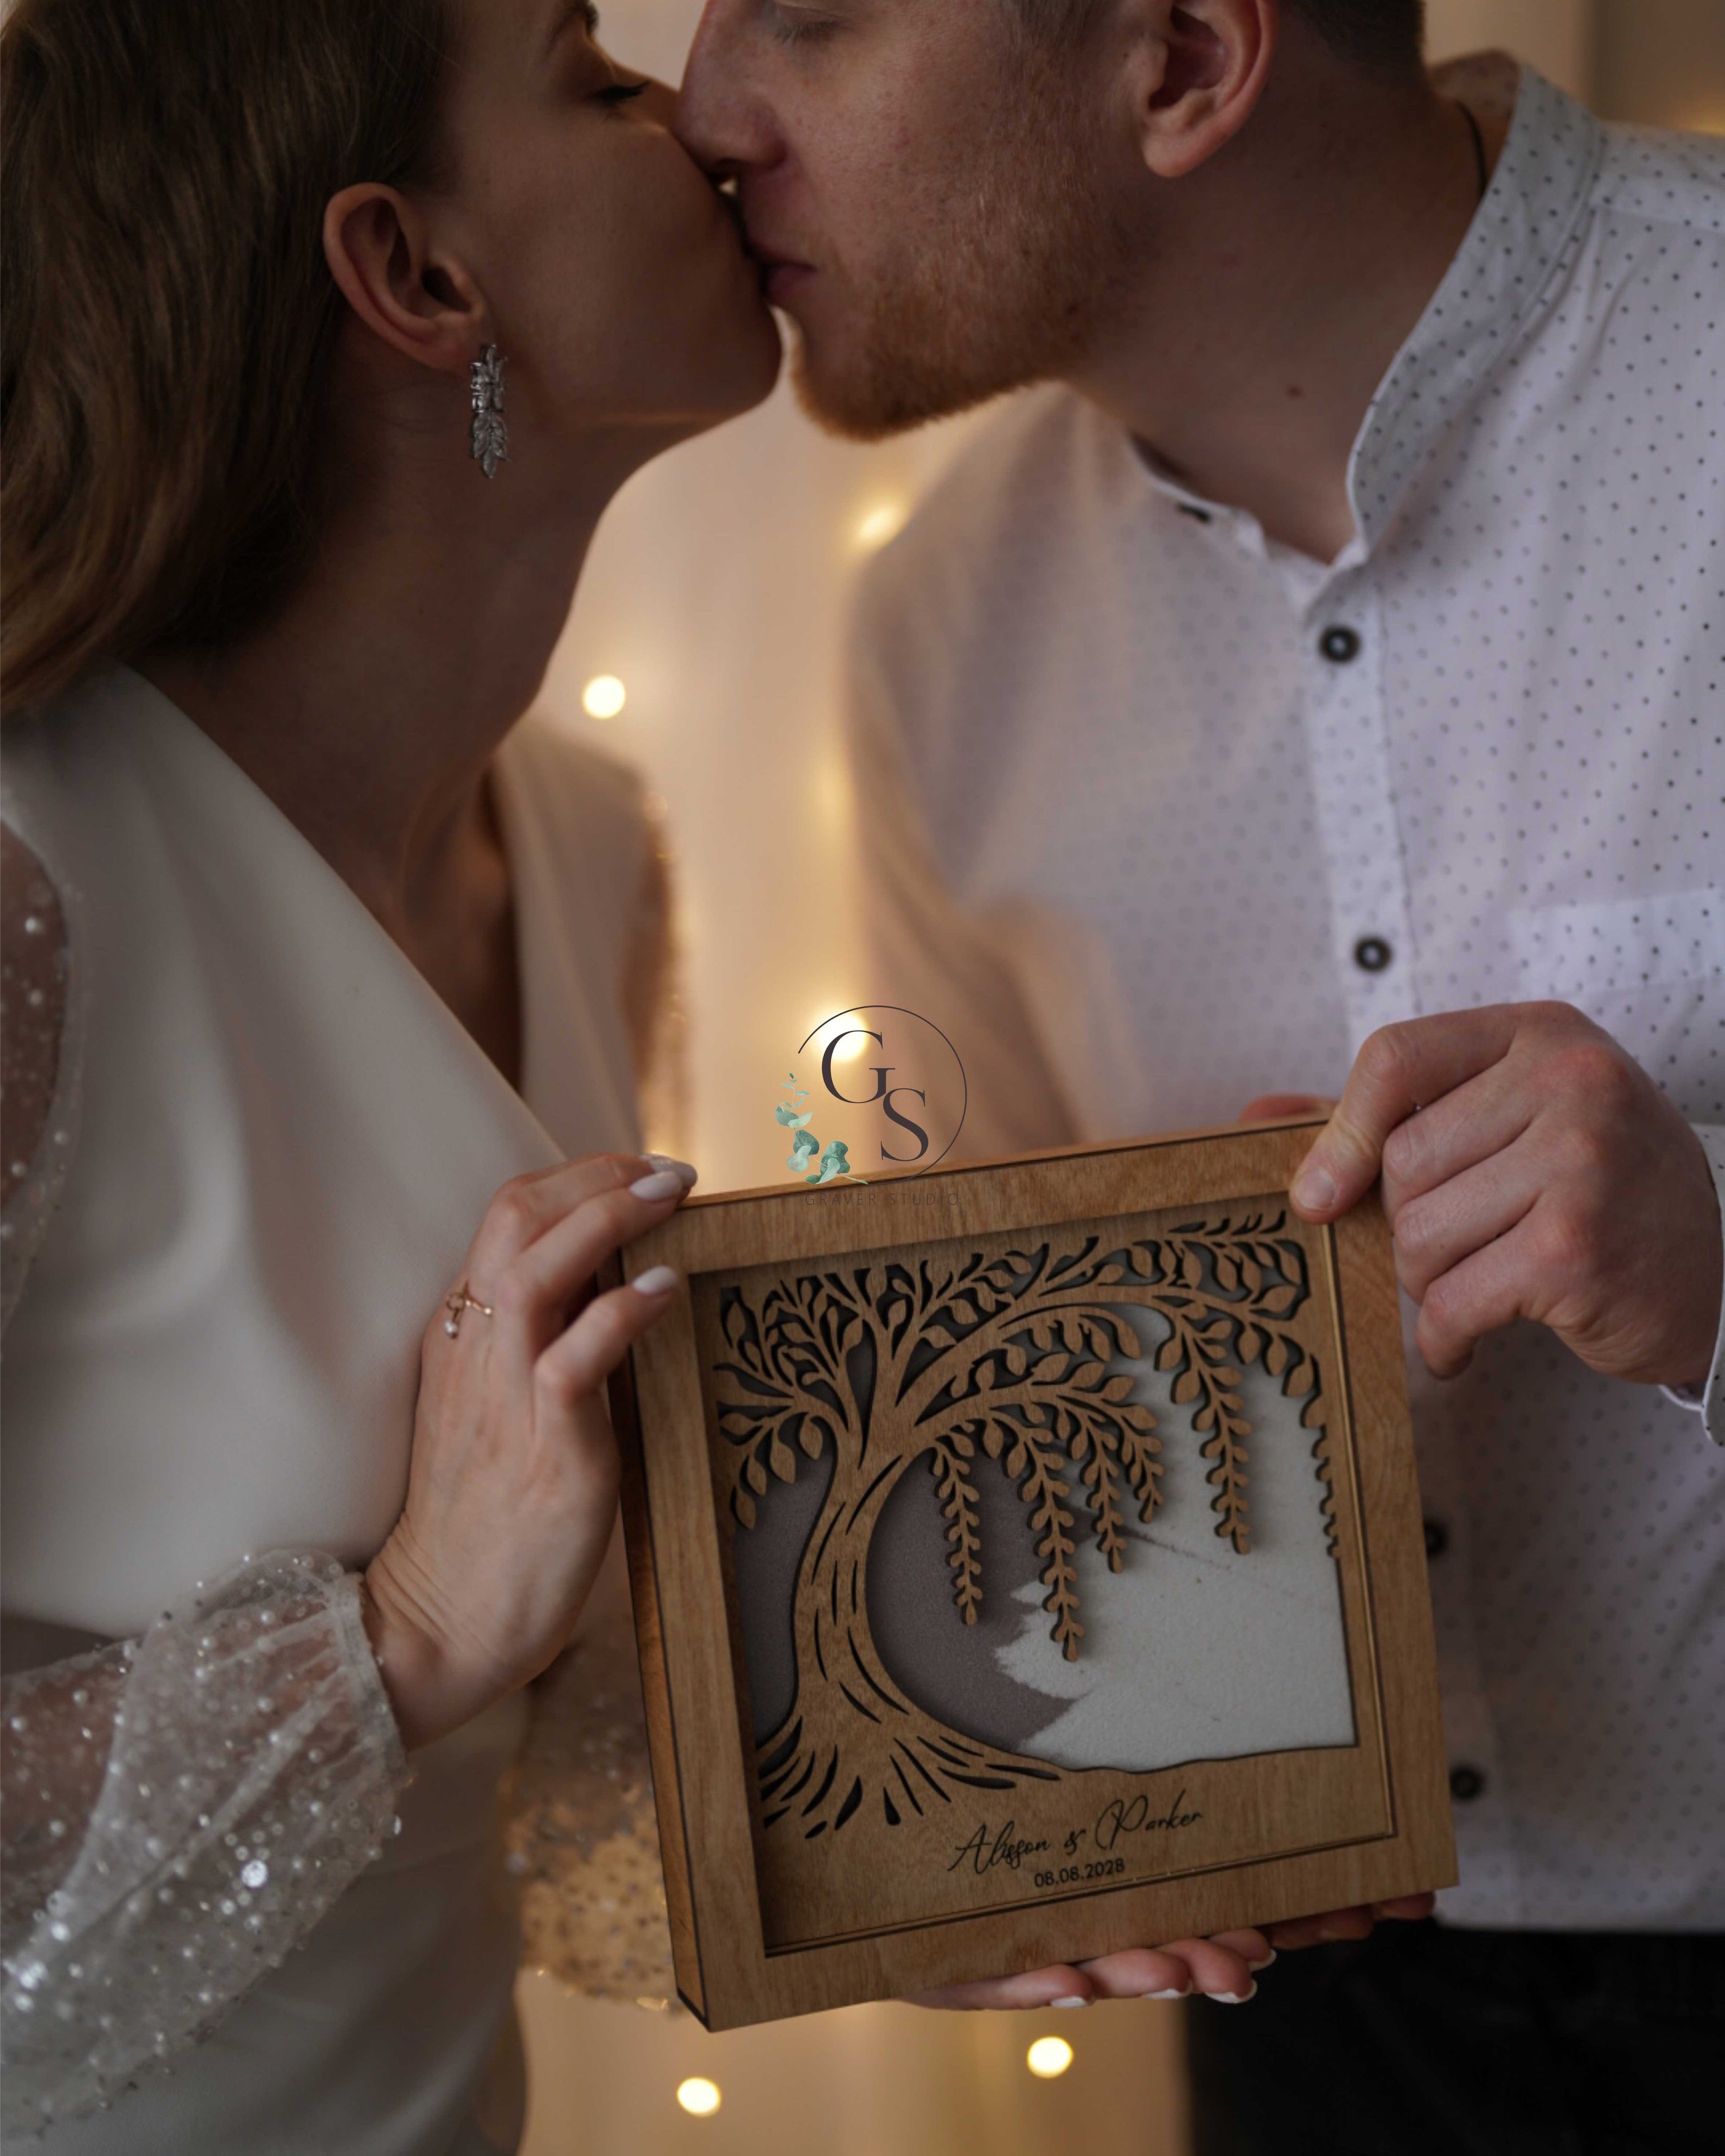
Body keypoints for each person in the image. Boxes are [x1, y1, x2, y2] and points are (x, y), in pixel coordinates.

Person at [675, 0, 1725, 2148]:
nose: (703, 110)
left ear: (1175, 56)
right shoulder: (934, 638)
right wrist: (963, 1812)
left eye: (807, 14)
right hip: (1309, 2040)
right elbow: (1018, 1470)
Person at [0, 0, 784, 2147]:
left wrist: (959, 1850)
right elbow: (465, 1615)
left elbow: (553, 1727)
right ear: (414, 274)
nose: (702, 115)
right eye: (596, 80)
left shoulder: (603, 842)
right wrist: (403, 1628)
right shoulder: (22, 889)